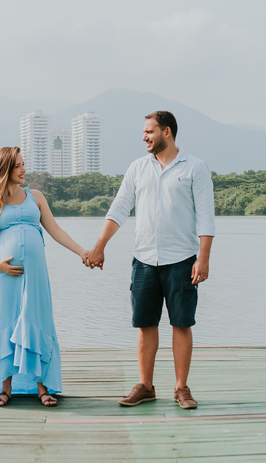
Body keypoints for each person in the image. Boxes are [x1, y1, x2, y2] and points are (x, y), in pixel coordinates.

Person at [84, 111, 216, 409]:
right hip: (144, 260)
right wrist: (99, 246)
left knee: (181, 324)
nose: (144, 137)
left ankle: (181, 388)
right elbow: (120, 208)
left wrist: (204, 258)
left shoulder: (195, 167)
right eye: (144, 132)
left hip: (182, 260)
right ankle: (145, 386)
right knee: (145, 324)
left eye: (149, 131)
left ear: (166, 132)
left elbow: (206, 216)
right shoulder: (138, 168)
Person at [0, 146, 91, 407]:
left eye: (23, 164)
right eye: (17, 166)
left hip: (35, 275)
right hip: (2, 276)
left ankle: (43, 387)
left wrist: (82, 251)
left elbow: (55, 230)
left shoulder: (35, 196)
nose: (23, 169)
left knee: (38, 320)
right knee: (3, 323)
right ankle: (4, 389)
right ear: (5, 169)